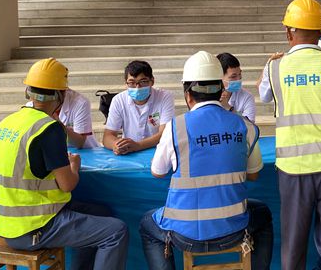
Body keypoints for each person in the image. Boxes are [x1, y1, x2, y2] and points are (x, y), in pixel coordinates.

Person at [0, 58, 129, 270]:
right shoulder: (48, 128)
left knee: (101, 212)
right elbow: (67, 185)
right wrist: (74, 166)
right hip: (35, 227)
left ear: (28, 91)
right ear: (60, 95)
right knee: (116, 231)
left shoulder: (8, 122)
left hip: (7, 224)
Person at [139, 51, 273, 270]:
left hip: (184, 235)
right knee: (263, 214)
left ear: (188, 95)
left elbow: (158, 171)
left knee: (147, 224)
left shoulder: (175, 127)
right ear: (221, 91)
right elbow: (254, 174)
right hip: (234, 230)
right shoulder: (244, 125)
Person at [258, 0, 321, 270]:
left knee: (294, 246)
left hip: (294, 170)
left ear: (288, 32)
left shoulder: (275, 67)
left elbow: (264, 95)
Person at [103, 60, 175, 155]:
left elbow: (165, 134)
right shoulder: (118, 100)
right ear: (126, 83)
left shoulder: (164, 97)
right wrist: (116, 145)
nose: (137, 87)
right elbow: (108, 136)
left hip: (157, 151)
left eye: (143, 81)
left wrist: (138, 145)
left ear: (152, 81)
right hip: (129, 152)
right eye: (132, 82)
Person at [27, 87, 99, 149]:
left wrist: (58, 125)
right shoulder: (31, 106)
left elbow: (79, 142)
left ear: (62, 94)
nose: (42, 103)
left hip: (84, 152)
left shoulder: (80, 103)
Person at [217, 52, 256, 122]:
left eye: (240, 74)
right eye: (233, 76)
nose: (238, 79)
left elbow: (250, 124)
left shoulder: (247, 97)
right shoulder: (208, 97)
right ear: (219, 77)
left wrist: (229, 108)